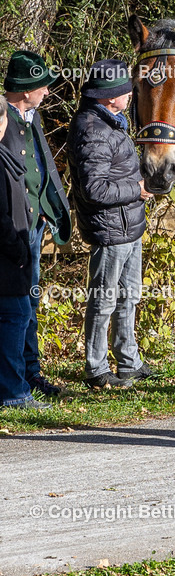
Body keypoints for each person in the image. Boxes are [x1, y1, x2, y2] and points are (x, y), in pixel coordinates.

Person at [66, 60, 156, 388]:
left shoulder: (112, 121)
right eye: (126, 91)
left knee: (129, 296)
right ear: (110, 97)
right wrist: (139, 189)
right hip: (110, 229)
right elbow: (94, 189)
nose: (131, 94)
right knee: (104, 299)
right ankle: (96, 368)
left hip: (129, 224)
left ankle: (128, 360)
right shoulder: (93, 130)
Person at [1, 51, 72, 400]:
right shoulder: (2, 120)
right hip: (11, 225)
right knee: (16, 306)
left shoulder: (33, 116)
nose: (47, 90)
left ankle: (31, 374)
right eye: (41, 84)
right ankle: (16, 384)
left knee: (30, 301)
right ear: (25, 89)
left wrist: (47, 209)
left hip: (33, 223)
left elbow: (42, 165)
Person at [0, 95, 51, 409]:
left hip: (11, 256)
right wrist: (19, 249)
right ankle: (14, 392)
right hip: (8, 261)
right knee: (15, 319)